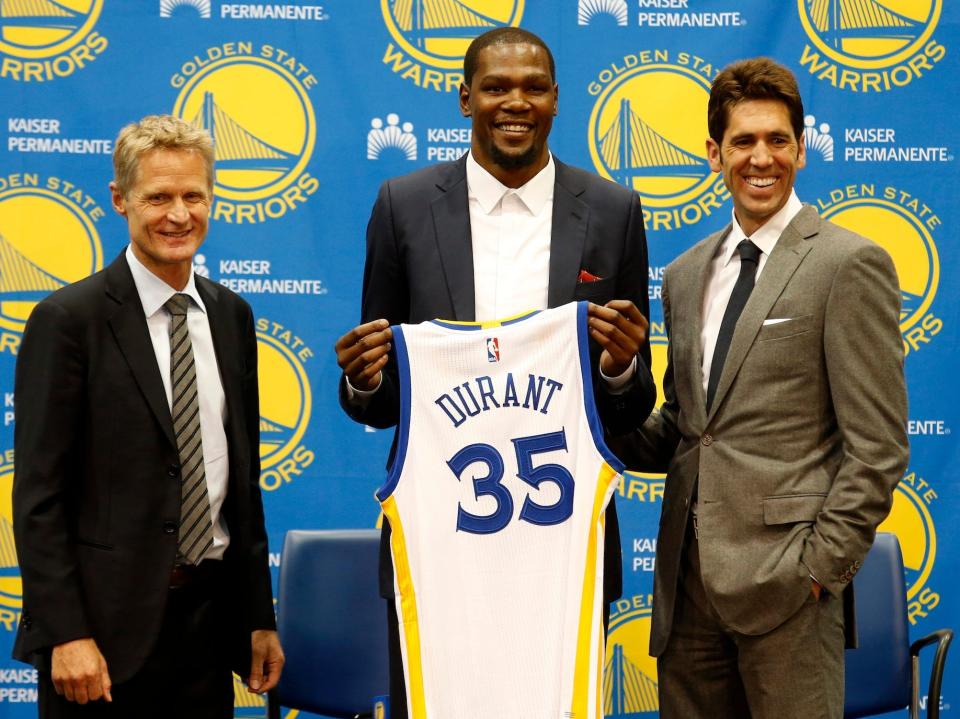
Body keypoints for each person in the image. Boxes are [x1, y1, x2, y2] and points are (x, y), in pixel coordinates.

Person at [335, 26, 656, 717]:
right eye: (497, 87)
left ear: (557, 100)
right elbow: (383, 400)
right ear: (464, 98)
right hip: (437, 546)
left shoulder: (613, 210)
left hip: (565, 549)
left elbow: (630, 408)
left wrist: (621, 369)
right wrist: (363, 378)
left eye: (534, 87)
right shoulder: (403, 205)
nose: (517, 102)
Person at [610, 57, 909, 718]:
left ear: (802, 147)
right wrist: (610, 381)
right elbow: (685, 430)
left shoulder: (847, 262)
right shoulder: (685, 275)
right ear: (715, 153)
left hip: (788, 594)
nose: (761, 157)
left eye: (778, 139)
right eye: (743, 141)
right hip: (686, 596)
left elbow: (879, 449)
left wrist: (814, 573)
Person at [12, 115, 283, 718]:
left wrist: (258, 619)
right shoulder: (68, 320)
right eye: (158, 197)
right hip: (100, 644)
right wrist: (65, 633)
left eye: (193, 196)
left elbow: (242, 487)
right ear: (120, 200)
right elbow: (38, 498)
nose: (179, 215)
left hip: (209, 634)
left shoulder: (231, 317)